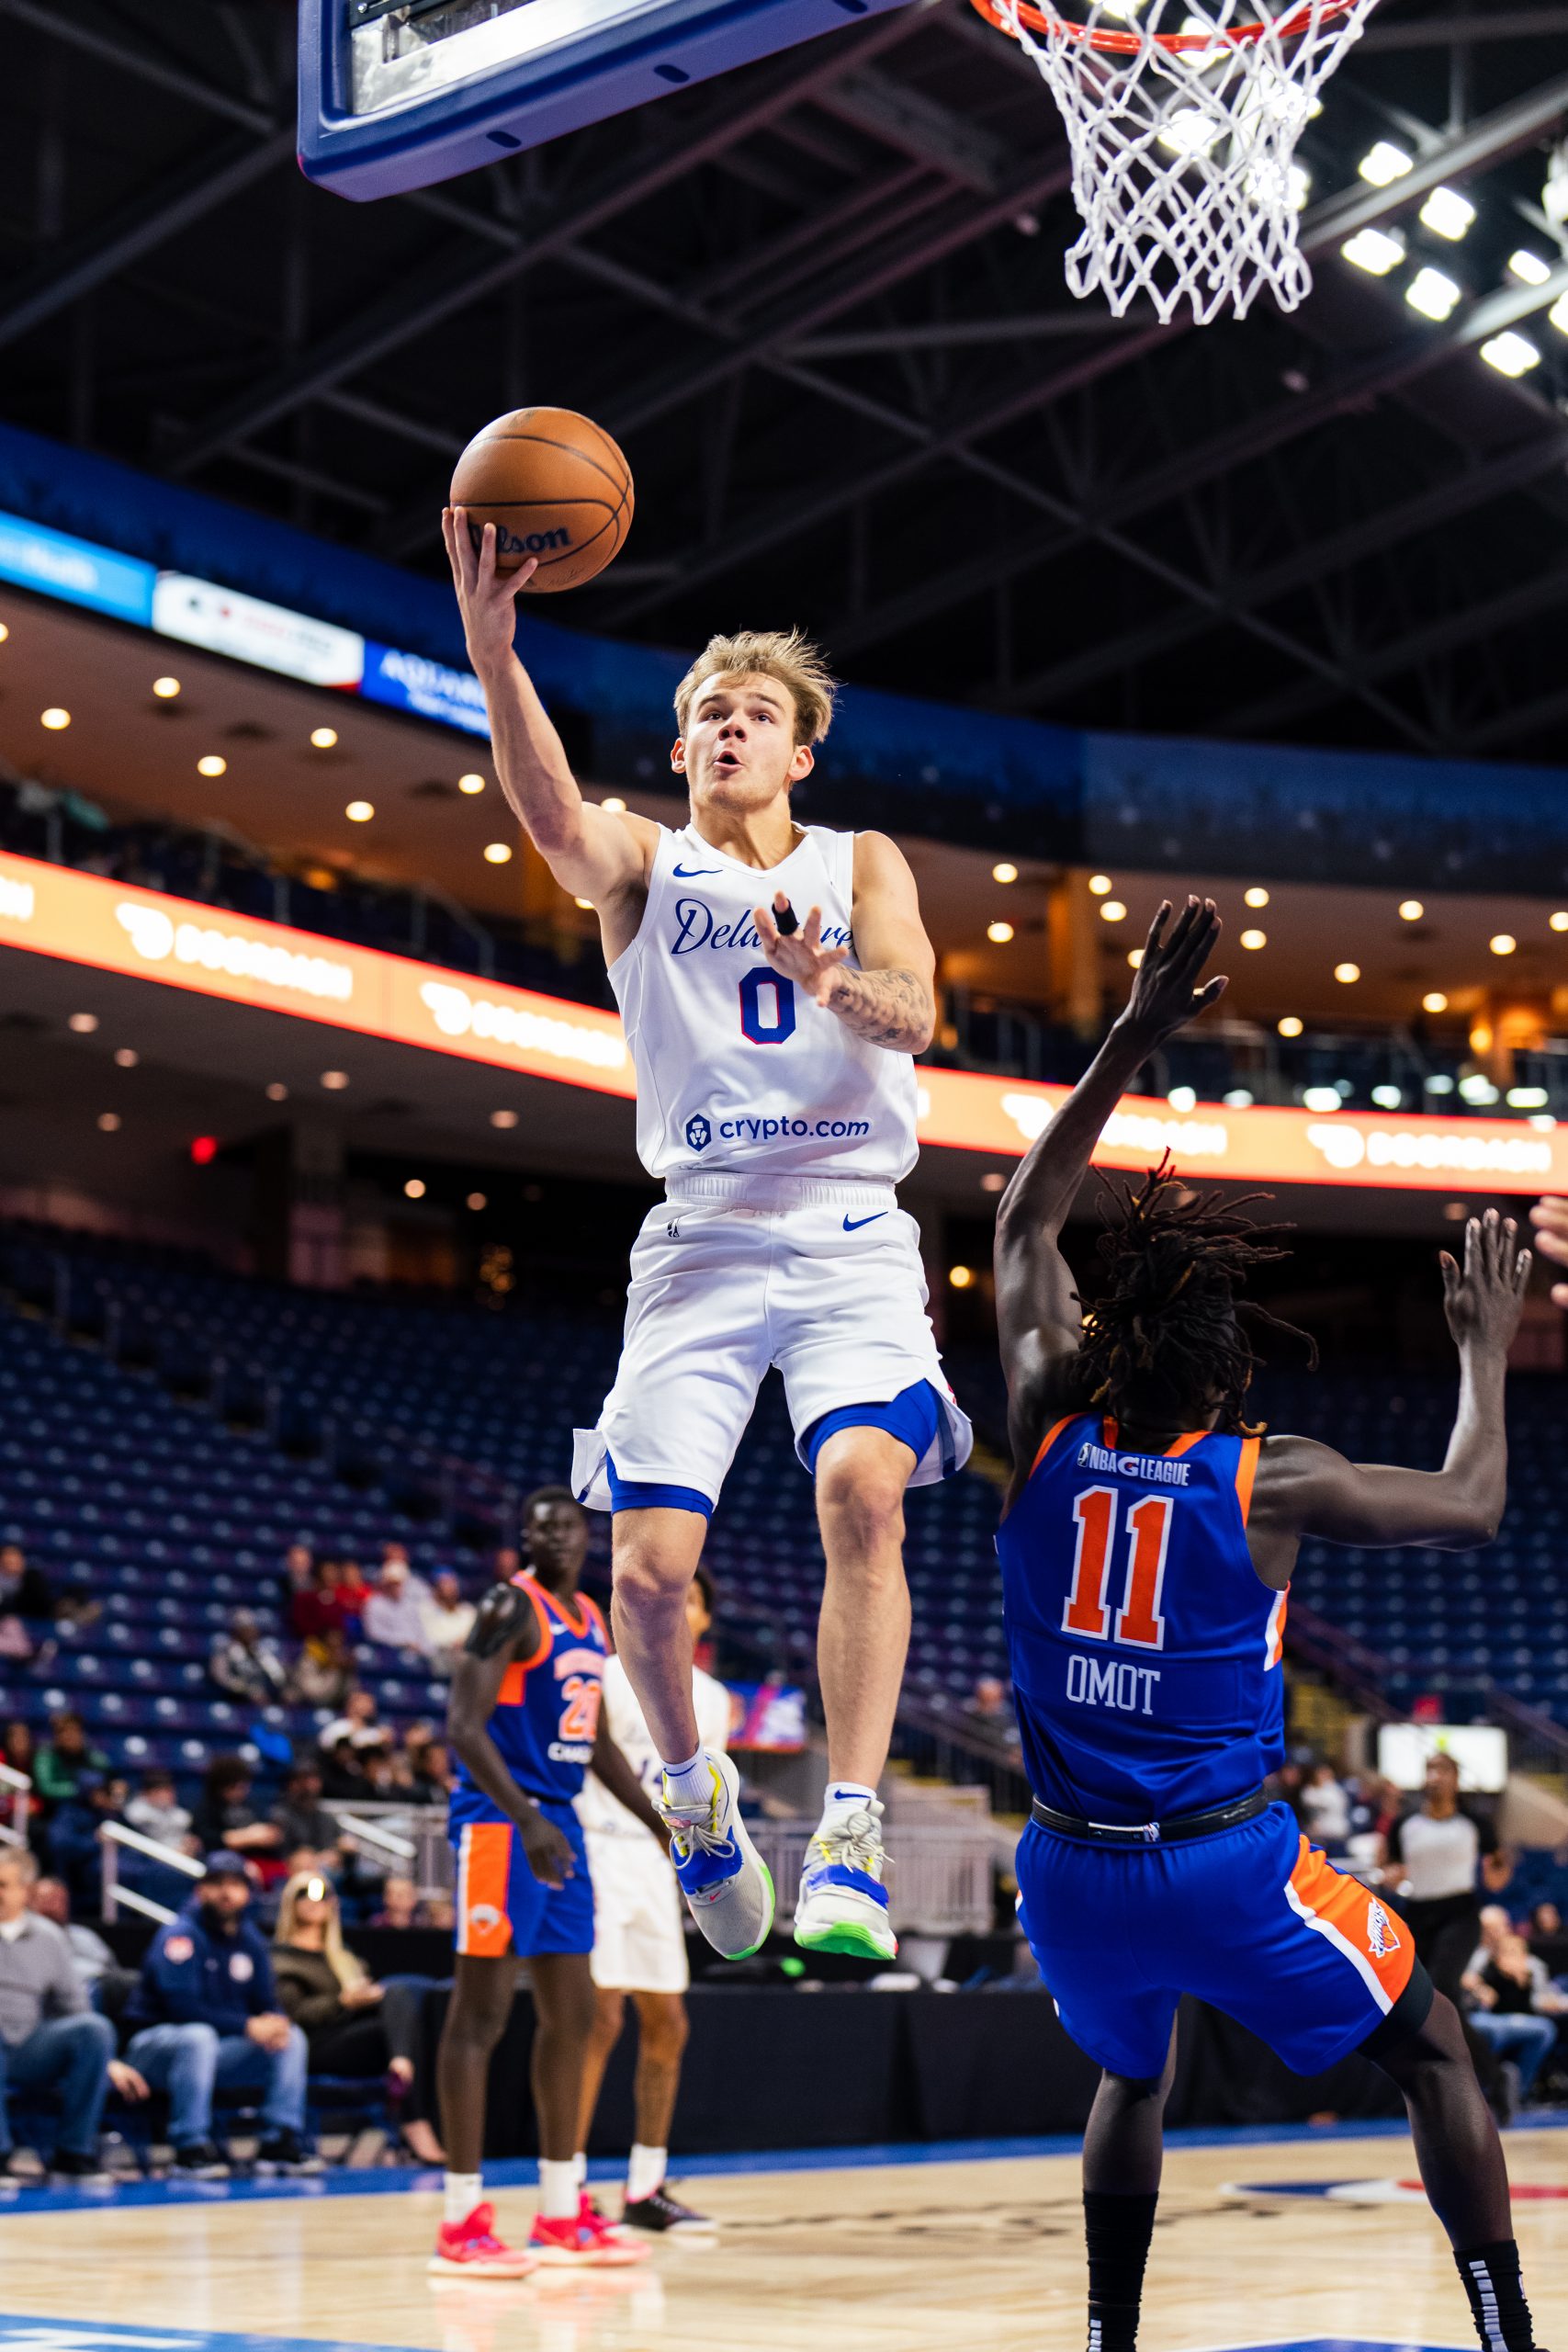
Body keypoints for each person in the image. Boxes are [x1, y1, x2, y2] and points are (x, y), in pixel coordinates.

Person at [990, 897, 1541, 2352]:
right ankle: (1507, 2339)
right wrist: (1481, 1356)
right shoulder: (1267, 1477)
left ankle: (1109, 2342)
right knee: (1435, 2053)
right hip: (1221, 1864)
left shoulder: (1045, 1417)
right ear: (1227, 1370)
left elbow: (1022, 1219)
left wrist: (1124, 1038)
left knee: (1132, 2081)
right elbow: (1472, 1503)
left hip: (1060, 1870)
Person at [446, 517, 972, 1967]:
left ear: (799, 753)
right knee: (645, 1574)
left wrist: (838, 985)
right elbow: (554, 820)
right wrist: (496, 650)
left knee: (864, 1488)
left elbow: (916, 1014)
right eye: (705, 714)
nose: (726, 727)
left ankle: (849, 1833)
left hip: (850, 1232)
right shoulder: (643, 866)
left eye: (755, 714)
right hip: (701, 1246)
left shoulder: (864, 863)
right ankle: (694, 1799)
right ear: (681, 751)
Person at [432, 1487, 663, 2277]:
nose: (552, 1537)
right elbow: (463, 1726)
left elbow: (594, 1743)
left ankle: (562, 2211)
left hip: (558, 1827)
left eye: (565, 1526)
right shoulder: (507, 1604)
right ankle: (460, 2220)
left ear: (586, 1537)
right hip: (502, 1828)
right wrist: (526, 1818)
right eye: (538, 1528)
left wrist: (658, 1825)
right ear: (525, 1539)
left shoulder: (590, 1618)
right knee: (480, 2018)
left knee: (574, 2017)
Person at [574, 1564, 729, 2231]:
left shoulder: (715, 1699)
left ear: (702, 1618)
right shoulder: (608, 1674)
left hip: (656, 1862)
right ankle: (570, 2185)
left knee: (668, 2022)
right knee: (597, 2019)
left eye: (693, 1599)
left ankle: (644, 2188)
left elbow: (704, 1795)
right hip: (597, 1845)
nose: (681, 1605)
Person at [124, 1851, 319, 2178]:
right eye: (217, 1885)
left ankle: (279, 2140)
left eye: (235, 1885)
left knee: (291, 2037)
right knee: (198, 2036)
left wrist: (274, 2022)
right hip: (153, 2050)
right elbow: (181, 2008)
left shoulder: (250, 1940)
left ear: (247, 1892)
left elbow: (265, 2000)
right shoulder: (180, 1936)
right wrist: (246, 2025)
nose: (227, 1893)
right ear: (201, 1891)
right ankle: (189, 2146)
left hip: (215, 2051)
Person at [271, 1870, 444, 2164]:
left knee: (398, 1992)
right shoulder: (282, 1957)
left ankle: (400, 2067)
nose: (316, 1902)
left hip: (354, 2034)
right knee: (401, 2030)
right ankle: (413, 2117)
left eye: (324, 1896)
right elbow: (296, 2014)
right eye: (307, 1895)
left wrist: (367, 1996)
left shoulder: (344, 1956)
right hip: (315, 2043)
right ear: (291, 1902)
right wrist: (343, 2001)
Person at [0, 1847, 142, 2182]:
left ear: (26, 1890)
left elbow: (74, 2006)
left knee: (93, 2029)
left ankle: (73, 2152)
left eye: (3, 1885)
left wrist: (110, 2059)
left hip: (29, 2045)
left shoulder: (50, 1938)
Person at [1385, 1755, 1513, 2009]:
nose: (1436, 1777)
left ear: (1455, 1779)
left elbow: (1499, 1866)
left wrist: (1497, 1874)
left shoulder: (1475, 1823)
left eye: (1443, 1771)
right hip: (1417, 1912)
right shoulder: (1404, 1823)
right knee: (1413, 1991)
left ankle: (1461, 2048)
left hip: (1459, 1913)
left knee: (1441, 1986)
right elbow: (1391, 1867)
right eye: (1430, 1770)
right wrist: (1391, 1877)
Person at [1463, 1930, 1567, 2109]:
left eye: (1517, 1951)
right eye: (1508, 1951)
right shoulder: (1489, 1969)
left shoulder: (1531, 1972)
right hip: (1490, 2020)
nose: (1513, 1956)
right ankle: (1490, 2084)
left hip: (1522, 2022)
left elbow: (1538, 2002)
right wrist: (1481, 1990)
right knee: (1492, 2031)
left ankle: (1516, 2092)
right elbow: (1471, 1986)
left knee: (1545, 2029)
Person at [29, 1877, 116, 1990]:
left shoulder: (84, 1936)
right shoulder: (21, 1940)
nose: (54, 1906)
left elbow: (112, 1974)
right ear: (29, 1902)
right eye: (47, 1900)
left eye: (59, 1900)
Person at [190, 1757, 283, 1861]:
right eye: (238, 1787)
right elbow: (209, 1840)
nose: (243, 1791)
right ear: (222, 1787)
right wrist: (248, 1836)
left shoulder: (250, 1805)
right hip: (225, 1862)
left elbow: (267, 1832)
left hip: (259, 1859)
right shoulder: (206, 1809)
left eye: (245, 1786)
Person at [270, 1762, 341, 1871]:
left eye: (313, 1779)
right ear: (292, 1784)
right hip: (292, 1873)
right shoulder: (280, 1816)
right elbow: (284, 1855)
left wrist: (339, 1852)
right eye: (303, 1780)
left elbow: (333, 1849)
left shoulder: (326, 1818)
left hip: (325, 1872)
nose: (309, 1786)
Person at [209, 1610, 288, 1705]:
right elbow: (221, 1677)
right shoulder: (224, 1651)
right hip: (237, 1698)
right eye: (246, 1628)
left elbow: (278, 1674)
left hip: (264, 1694)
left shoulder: (262, 1652)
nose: (251, 1631)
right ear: (236, 1630)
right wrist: (246, 1689)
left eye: (252, 1627)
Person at [363, 1558, 434, 1657]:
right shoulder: (374, 1604)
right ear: (385, 1584)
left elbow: (420, 1630)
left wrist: (424, 1648)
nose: (397, 1587)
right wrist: (403, 1642)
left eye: (399, 1584)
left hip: (417, 1650)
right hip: (389, 1651)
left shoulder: (410, 1604)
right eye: (393, 1584)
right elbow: (374, 1633)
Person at [125, 1768, 195, 1854]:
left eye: (170, 1791)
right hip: (146, 1858)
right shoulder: (136, 1811)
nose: (168, 1795)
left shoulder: (180, 1814)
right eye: (161, 1791)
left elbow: (185, 1834)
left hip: (177, 1857)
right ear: (147, 1793)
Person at [424, 1572, 477, 1671]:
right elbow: (433, 1639)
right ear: (436, 1589)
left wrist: (463, 1642)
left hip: (465, 1653)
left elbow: (475, 1635)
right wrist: (452, 1644)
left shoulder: (468, 1610)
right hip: (440, 1654)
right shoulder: (428, 1610)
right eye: (445, 1584)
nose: (450, 1588)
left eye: (452, 1584)